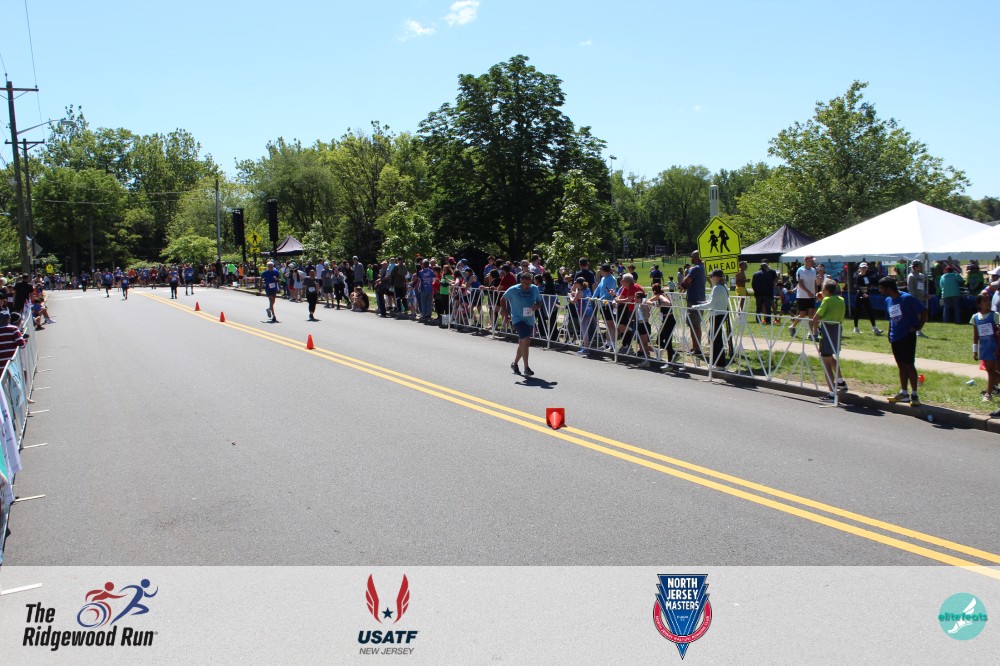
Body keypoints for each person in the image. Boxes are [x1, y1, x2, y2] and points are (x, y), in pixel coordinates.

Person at [879, 276, 926, 405]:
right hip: (895, 337)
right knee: (901, 365)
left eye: (881, 288)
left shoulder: (907, 298)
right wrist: (889, 333)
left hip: (907, 336)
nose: (880, 291)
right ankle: (904, 393)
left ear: (888, 288)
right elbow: (891, 318)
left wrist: (918, 327)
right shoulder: (888, 300)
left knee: (909, 365)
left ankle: (914, 394)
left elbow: (924, 311)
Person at [811, 280, 848, 401]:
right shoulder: (841, 299)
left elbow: (816, 317)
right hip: (837, 329)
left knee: (825, 362)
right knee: (830, 357)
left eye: (822, 288)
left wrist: (814, 332)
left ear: (826, 290)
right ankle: (840, 381)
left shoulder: (826, 300)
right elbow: (832, 308)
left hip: (827, 330)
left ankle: (832, 392)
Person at [502, 271, 542, 376]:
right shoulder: (513, 289)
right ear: (521, 281)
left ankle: (514, 364)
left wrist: (537, 306)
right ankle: (526, 368)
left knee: (522, 343)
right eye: (524, 283)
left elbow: (540, 302)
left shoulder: (534, 289)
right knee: (526, 341)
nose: (526, 286)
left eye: (528, 284)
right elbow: (503, 299)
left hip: (529, 319)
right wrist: (506, 314)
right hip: (518, 319)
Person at [692, 268, 730, 367]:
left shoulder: (717, 288)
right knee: (715, 338)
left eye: (712, 276)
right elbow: (714, 301)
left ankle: (719, 364)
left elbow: (711, 304)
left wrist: (697, 307)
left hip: (717, 315)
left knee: (715, 339)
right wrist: (704, 303)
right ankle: (716, 362)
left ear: (717, 277)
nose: (711, 278)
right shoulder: (723, 286)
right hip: (720, 314)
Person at [971, 292, 1000, 406]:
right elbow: (975, 335)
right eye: (985, 301)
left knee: (993, 371)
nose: (988, 303)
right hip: (984, 348)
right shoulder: (975, 317)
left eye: (988, 300)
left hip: (995, 347)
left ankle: (988, 394)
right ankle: (991, 391)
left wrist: (998, 348)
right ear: (979, 304)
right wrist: (974, 350)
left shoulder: (995, 315)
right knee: (991, 371)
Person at [647, 283, 680, 370]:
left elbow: (667, 303)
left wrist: (660, 304)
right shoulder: (659, 295)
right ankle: (674, 354)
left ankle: (670, 363)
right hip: (665, 321)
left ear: (654, 291)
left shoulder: (661, 296)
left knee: (668, 342)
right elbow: (648, 301)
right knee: (659, 340)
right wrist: (655, 304)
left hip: (669, 321)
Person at [682, 251, 706, 357]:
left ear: (695, 257)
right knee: (693, 325)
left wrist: (685, 282)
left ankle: (697, 348)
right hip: (699, 299)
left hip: (694, 300)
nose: (690, 258)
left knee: (694, 325)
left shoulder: (695, 268)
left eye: (691, 256)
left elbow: (685, 281)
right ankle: (695, 347)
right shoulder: (702, 267)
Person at [789, 255, 818, 339]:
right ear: (806, 261)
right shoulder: (800, 270)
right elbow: (800, 283)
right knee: (802, 314)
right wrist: (808, 292)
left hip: (811, 296)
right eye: (811, 261)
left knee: (812, 313)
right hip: (802, 295)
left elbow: (815, 283)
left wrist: (816, 293)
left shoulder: (813, 270)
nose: (813, 262)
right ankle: (792, 326)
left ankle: (810, 333)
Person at [851, 262, 882, 335]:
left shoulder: (866, 276)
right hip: (860, 295)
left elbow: (867, 284)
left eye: (865, 267)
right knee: (857, 311)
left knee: (870, 311)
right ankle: (856, 328)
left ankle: (874, 327)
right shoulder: (858, 276)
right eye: (863, 268)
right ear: (860, 268)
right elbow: (858, 286)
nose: (864, 269)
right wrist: (863, 293)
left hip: (865, 295)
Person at [906, 260, 929, 338]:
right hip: (915, 298)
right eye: (919, 266)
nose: (920, 267)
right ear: (915, 267)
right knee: (917, 316)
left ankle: (919, 330)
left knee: (922, 315)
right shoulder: (911, 276)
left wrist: (925, 293)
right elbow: (910, 289)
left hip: (921, 298)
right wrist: (913, 299)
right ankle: (916, 331)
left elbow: (922, 286)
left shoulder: (922, 276)